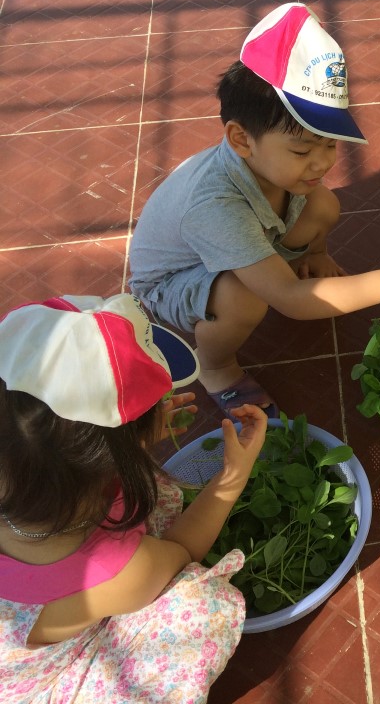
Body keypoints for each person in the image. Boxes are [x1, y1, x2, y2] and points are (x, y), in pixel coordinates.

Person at [129, 3, 380, 419]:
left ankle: (302, 257)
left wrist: (316, 252)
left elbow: (311, 199)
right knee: (244, 297)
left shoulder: (267, 165)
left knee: (323, 203)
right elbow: (291, 301)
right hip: (173, 280)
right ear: (241, 139)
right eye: (302, 151)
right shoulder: (214, 207)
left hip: (242, 237)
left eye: (330, 144)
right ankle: (216, 368)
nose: (322, 162)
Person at [0, 294, 267, 701]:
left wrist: (131, 439)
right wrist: (233, 476)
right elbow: (181, 551)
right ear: (115, 456)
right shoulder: (118, 572)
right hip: (38, 684)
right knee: (201, 606)